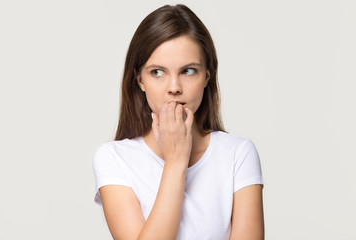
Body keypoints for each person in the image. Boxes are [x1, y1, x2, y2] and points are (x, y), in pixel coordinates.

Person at [93, 4, 264, 240]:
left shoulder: (238, 154)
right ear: (139, 79)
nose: (174, 87)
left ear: (207, 75)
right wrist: (175, 160)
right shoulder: (114, 158)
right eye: (157, 72)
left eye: (188, 71)